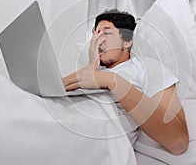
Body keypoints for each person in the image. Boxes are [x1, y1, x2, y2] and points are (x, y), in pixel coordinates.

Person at [62, 9, 189, 155]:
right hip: (62, 124)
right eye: (96, 34)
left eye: (107, 33)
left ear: (128, 42)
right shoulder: (94, 71)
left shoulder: (146, 67)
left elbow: (179, 141)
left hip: (89, 144)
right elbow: (51, 89)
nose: (98, 40)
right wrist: (90, 69)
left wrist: (112, 81)